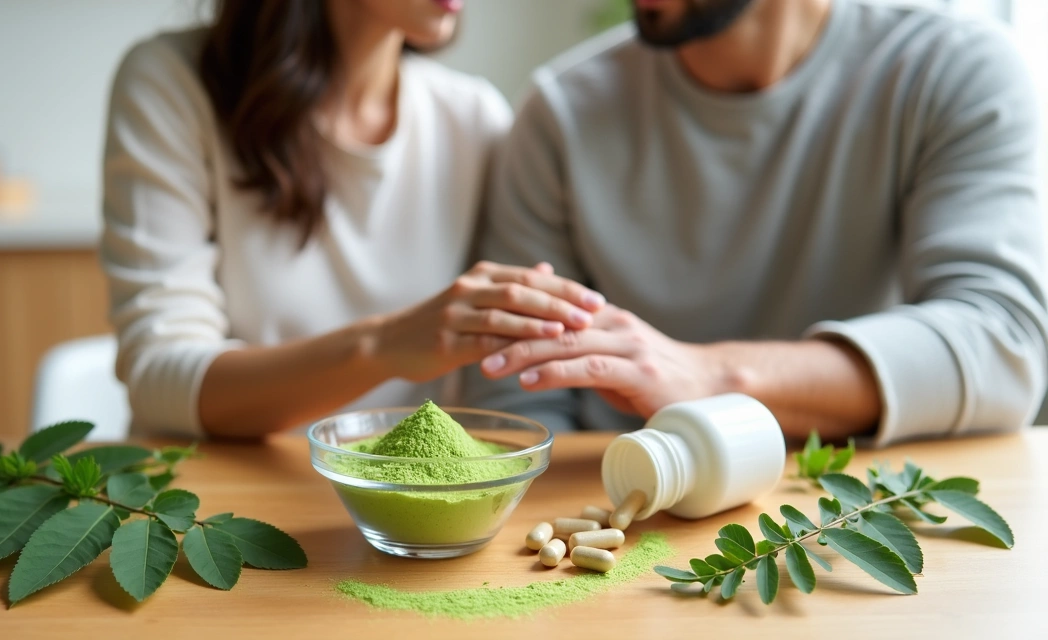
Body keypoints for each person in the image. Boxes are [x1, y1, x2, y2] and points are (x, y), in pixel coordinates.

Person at [464, 0, 1048, 446]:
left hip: (860, 509)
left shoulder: (951, 70)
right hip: (623, 517)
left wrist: (718, 379)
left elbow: (1004, 343)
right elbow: (515, 406)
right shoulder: (561, 114)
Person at [101, 0, 605, 438]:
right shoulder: (171, 81)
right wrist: (381, 346)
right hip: (214, 492)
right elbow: (158, 375)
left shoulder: (472, 119)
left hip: (401, 504)